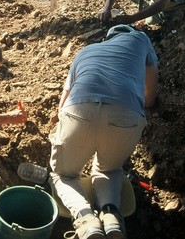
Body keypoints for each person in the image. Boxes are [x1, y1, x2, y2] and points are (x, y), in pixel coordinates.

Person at [50, 24, 158, 239]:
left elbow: (62, 107)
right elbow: (150, 90)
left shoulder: (85, 52)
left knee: (64, 175)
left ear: (107, 39)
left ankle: (86, 219)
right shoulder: (139, 38)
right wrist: (146, 102)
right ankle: (111, 216)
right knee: (109, 170)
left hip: (79, 112)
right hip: (126, 116)